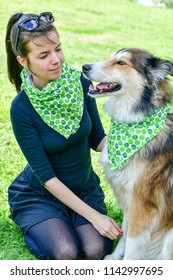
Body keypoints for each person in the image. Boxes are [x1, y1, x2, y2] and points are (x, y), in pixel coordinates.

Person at [5, 11, 123, 260]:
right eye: (44, 55)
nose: (56, 59)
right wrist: (95, 217)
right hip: (41, 194)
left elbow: (98, 140)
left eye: (58, 49)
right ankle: (33, 221)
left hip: (83, 189)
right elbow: (46, 177)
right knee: (65, 252)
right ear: (23, 61)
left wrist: (144, 138)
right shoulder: (22, 108)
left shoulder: (79, 83)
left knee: (95, 250)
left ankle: (65, 223)